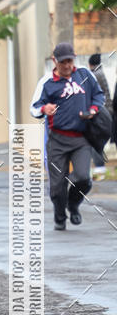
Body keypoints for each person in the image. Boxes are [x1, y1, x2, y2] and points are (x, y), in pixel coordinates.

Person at [31, 42, 104, 230]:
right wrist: (44, 108)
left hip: (81, 138)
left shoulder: (85, 75)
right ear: (55, 61)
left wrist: (94, 109)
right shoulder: (47, 82)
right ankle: (60, 217)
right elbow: (34, 108)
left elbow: (99, 95)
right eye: (62, 62)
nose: (66, 66)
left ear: (74, 58)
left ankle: (73, 204)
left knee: (82, 178)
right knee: (57, 186)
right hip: (57, 140)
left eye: (69, 61)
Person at [88, 54, 111, 178]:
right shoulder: (100, 72)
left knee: (95, 140)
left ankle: (99, 169)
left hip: (102, 113)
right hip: (106, 111)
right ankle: (99, 168)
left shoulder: (95, 75)